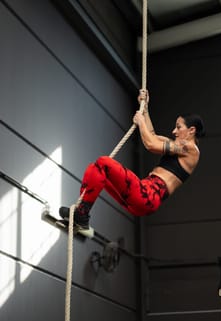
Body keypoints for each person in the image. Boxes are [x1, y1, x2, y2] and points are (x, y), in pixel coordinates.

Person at [59, 89, 205, 231]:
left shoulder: (191, 149)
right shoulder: (176, 146)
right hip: (142, 196)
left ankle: (82, 215)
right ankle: (81, 213)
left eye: (178, 127)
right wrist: (145, 108)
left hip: (148, 196)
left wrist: (141, 122)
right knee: (95, 169)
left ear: (191, 130)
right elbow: (152, 136)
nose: (174, 131)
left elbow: (151, 145)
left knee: (104, 162)